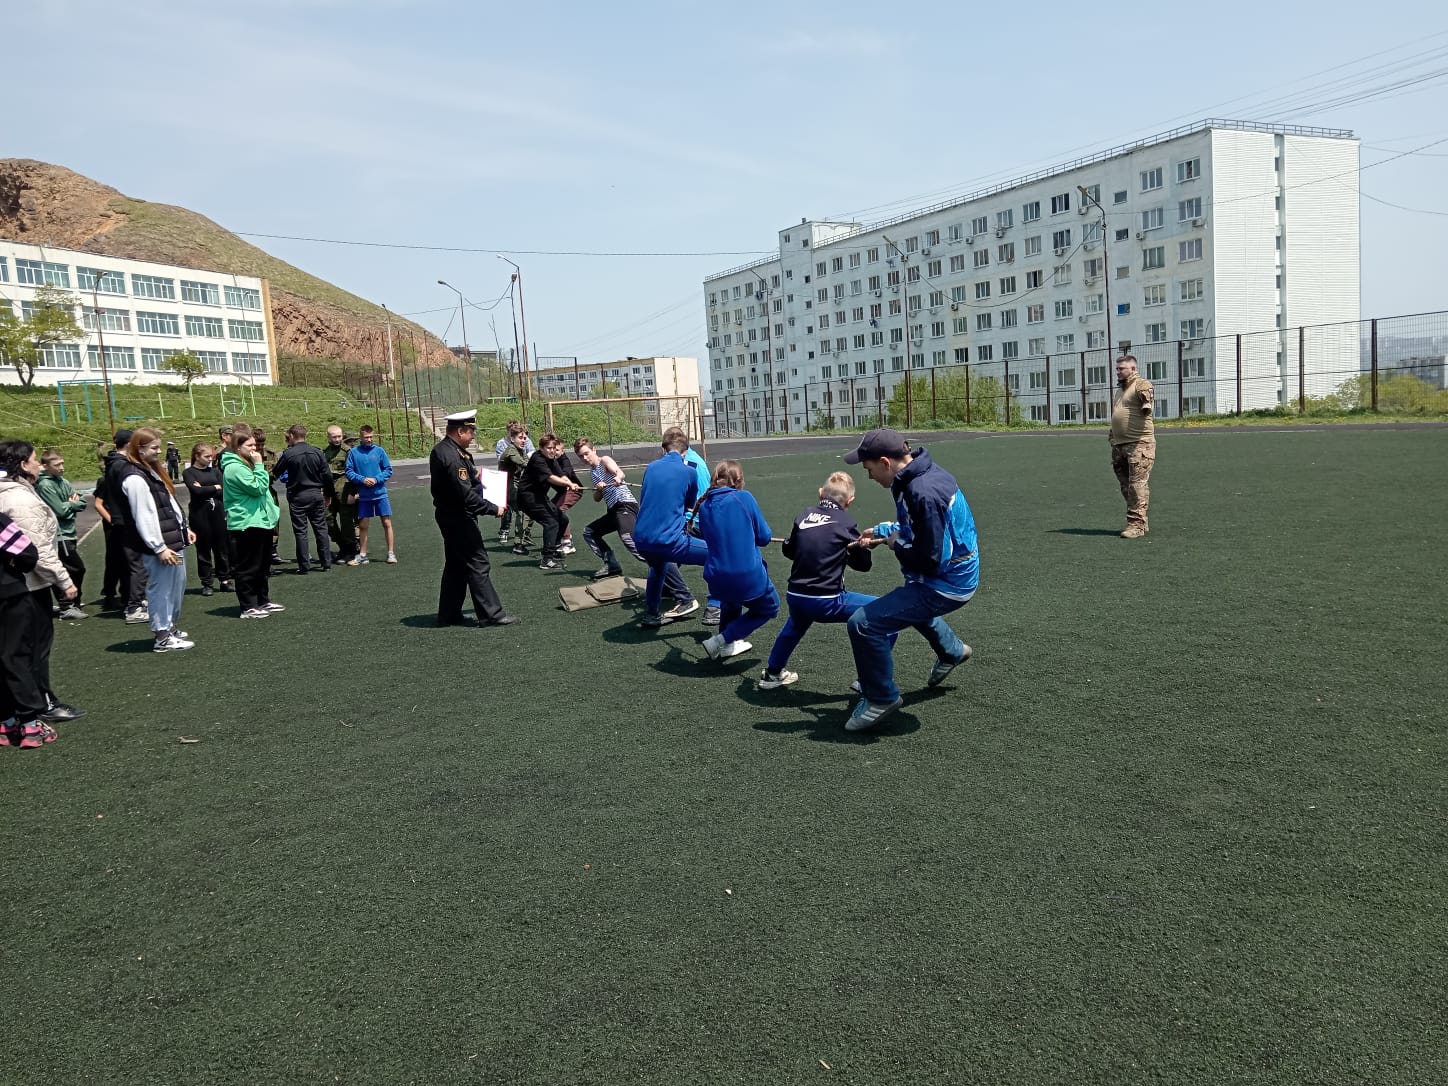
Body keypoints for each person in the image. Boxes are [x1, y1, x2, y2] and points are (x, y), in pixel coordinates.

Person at [843, 428, 978, 733]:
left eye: (869, 469)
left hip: (948, 584)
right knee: (907, 602)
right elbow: (919, 526)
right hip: (949, 575)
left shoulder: (922, 492)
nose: (869, 476)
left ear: (885, 462)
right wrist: (884, 531)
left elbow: (933, 559)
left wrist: (895, 544)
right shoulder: (918, 475)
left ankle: (880, 698)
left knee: (863, 624)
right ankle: (952, 651)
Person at [758, 471, 879, 690]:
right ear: (850, 501)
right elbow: (864, 565)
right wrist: (861, 548)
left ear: (820, 493)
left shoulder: (804, 515)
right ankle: (870, 680)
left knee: (796, 625)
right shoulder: (846, 523)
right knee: (883, 614)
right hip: (826, 601)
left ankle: (772, 673)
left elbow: (789, 551)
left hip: (795, 596)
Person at [0, 440, 86, 727]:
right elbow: (37, 550)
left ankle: (15, 710)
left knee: (14, 650)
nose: (38, 464)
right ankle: (41, 704)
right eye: (35, 459)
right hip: (27, 585)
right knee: (33, 648)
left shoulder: (12, 493)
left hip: (16, 584)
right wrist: (64, 581)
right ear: (23, 464)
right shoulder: (19, 499)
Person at [430, 410, 519, 628]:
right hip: (458, 517)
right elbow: (466, 496)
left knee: (456, 565)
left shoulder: (452, 451)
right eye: (471, 432)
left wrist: (481, 480)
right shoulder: (452, 456)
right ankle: (491, 615)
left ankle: (449, 615)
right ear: (460, 431)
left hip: (452, 515)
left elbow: (471, 481)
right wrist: (494, 509)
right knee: (478, 562)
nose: (473, 436)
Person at [118, 429, 195, 652]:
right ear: (139, 448)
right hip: (161, 545)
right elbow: (144, 515)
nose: (159, 451)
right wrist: (159, 547)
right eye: (154, 448)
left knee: (176, 585)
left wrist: (183, 528)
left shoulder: (149, 471)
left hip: (173, 539)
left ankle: (169, 627)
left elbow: (168, 504)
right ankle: (162, 635)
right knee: (162, 588)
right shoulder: (135, 477)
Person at [695, 460, 779, 662]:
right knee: (770, 607)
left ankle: (726, 645)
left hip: (716, 575)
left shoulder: (704, 506)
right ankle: (724, 639)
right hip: (746, 574)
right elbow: (764, 537)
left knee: (731, 603)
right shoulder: (744, 498)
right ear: (739, 480)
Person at [633, 430, 706, 627]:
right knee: (716, 554)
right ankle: (715, 606)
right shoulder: (689, 472)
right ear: (685, 452)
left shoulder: (651, 468)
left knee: (657, 566)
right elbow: (689, 505)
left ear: (663, 449)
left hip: (640, 540)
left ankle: (652, 614)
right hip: (668, 541)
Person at [0, 509, 55, 747]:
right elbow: (28, 556)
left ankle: (6, 722)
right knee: (16, 657)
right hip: (9, 595)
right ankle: (30, 724)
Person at [221, 423, 283, 619]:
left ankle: (262, 600)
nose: (254, 449)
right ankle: (248, 606)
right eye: (249, 446)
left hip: (261, 520)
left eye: (254, 445)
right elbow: (258, 488)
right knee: (248, 566)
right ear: (237, 447)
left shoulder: (246, 464)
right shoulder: (234, 468)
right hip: (245, 522)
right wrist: (259, 465)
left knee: (263, 565)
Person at [573, 437, 644, 580]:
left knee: (628, 538)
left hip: (624, 505)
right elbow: (596, 498)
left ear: (594, 450)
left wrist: (617, 478)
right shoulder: (592, 472)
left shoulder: (604, 460)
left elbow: (620, 472)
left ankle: (661, 566)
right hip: (613, 510)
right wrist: (599, 488)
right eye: (581, 456)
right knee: (589, 532)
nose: (585, 458)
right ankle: (611, 565)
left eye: (586, 453)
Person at [100, 428, 150, 623]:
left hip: (121, 521)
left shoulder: (114, 464)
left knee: (129, 564)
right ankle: (134, 606)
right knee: (137, 565)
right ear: (129, 444)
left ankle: (132, 599)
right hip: (127, 521)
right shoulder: (122, 466)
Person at [35, 448, 90, 621]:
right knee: (75, 568)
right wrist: (71, 504)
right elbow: (60, 510)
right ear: (45, 466)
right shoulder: (45, 485)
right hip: (59, 535)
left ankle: (72, 602)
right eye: (57, 464)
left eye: (62, 463)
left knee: (73, 569)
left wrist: (71, 504)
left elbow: (82, 501)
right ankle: (67, 604)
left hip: (69, 532)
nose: (62, 467)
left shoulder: (62, 481)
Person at [675, 433, 723, 627]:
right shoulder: (685, 461)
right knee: (665, 554)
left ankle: (714, 605)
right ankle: (669, 588)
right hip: (692, 520)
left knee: (715, 559)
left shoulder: (692, 465)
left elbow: (696, 497)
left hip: (698, 521)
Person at [272, 424, 333, 574]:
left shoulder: (288, 454)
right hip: (316, 494)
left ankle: (304, 566)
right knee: (321, 529)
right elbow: (327, 475)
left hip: (297, 496)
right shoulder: (317, 452)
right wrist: (328, 494)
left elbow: (276, 473)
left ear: (292, 436)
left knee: (301, 532)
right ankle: (326, 563)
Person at [515, 433, 580, 570]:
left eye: (554, 448)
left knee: (563, 520)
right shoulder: (537, 459)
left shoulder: (552, 459)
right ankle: (547, 559)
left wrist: (570, 483)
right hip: (528, 498)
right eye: (549, 448)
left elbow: (561, 474)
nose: (552, 451)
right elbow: (550, 478)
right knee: (551, 523)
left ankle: (554, 548)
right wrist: (567, 484)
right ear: (541, 448)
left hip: (540, 496)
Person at [1110, 353, 1155, 539]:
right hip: (1119, 445)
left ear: (1133, 369)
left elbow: (1147, 399)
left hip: (1139, 444)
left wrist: (1146, 403)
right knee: (1126, 486)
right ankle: (1141, 521)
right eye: (1117, 369)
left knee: (1137, 485)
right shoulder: (1120, 390)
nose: (1118, 372)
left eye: (1122, 369)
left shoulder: (1141, 384)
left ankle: (1136, 525)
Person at [182, 443, 231, 596]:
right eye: (206, 456)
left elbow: (223, 490)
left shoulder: (215, 471)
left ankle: (225, 580)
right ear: (197, 456)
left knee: (222, 549)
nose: (210, 459)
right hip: (199, 516)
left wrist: (205, 488)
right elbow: (196, 492)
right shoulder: (189, 472)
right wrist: (214, 487)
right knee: (203, 551)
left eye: (211, 456)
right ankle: (207, 583)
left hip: (218, 514)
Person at [345, 425, 395, 565]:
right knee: (363, 525)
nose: (369, 439)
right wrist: (362, 479)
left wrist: (376, 479)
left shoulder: (379, 451)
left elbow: (388, 470)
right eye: (366, 437)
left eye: (371, 437)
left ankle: (391, 553)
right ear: (360, 437)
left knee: (386, 523)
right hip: (364, 496)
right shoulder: (354, 453)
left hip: (380, 494)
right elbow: (349, 471)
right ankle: (363, 555)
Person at [496, 426, 535, 555]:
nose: (524, 440)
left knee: (531, 508)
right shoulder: (512, 450)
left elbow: (528, 462)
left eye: (525, 438)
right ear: (512, 439)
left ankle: (525, 536)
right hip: (508, 486)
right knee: (522, 512)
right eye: (520, 438)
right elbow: (524, 464)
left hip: (514, 484)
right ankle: (518, 544)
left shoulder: (520, 450)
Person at [321, 425, 357, 563]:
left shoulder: (348, 451)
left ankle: (350, 549)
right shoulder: (325, 452)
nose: (337, 439)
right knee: (327, 518)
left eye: (339, 436)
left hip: (344, 488)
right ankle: (342, 545)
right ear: (328, 437)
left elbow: (354, 472)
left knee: (346, 521)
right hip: (329, 489)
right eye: (334, 437)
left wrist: (353, 492)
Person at [253, 428, 284, 566]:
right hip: (253, 492)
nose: (260, 447)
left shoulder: (271, 454)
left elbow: (277, 472)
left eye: (262, 444)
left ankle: (273, 550)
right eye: (257, 444)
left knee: (274, 520)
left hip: (268, 490)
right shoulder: (246, 454)